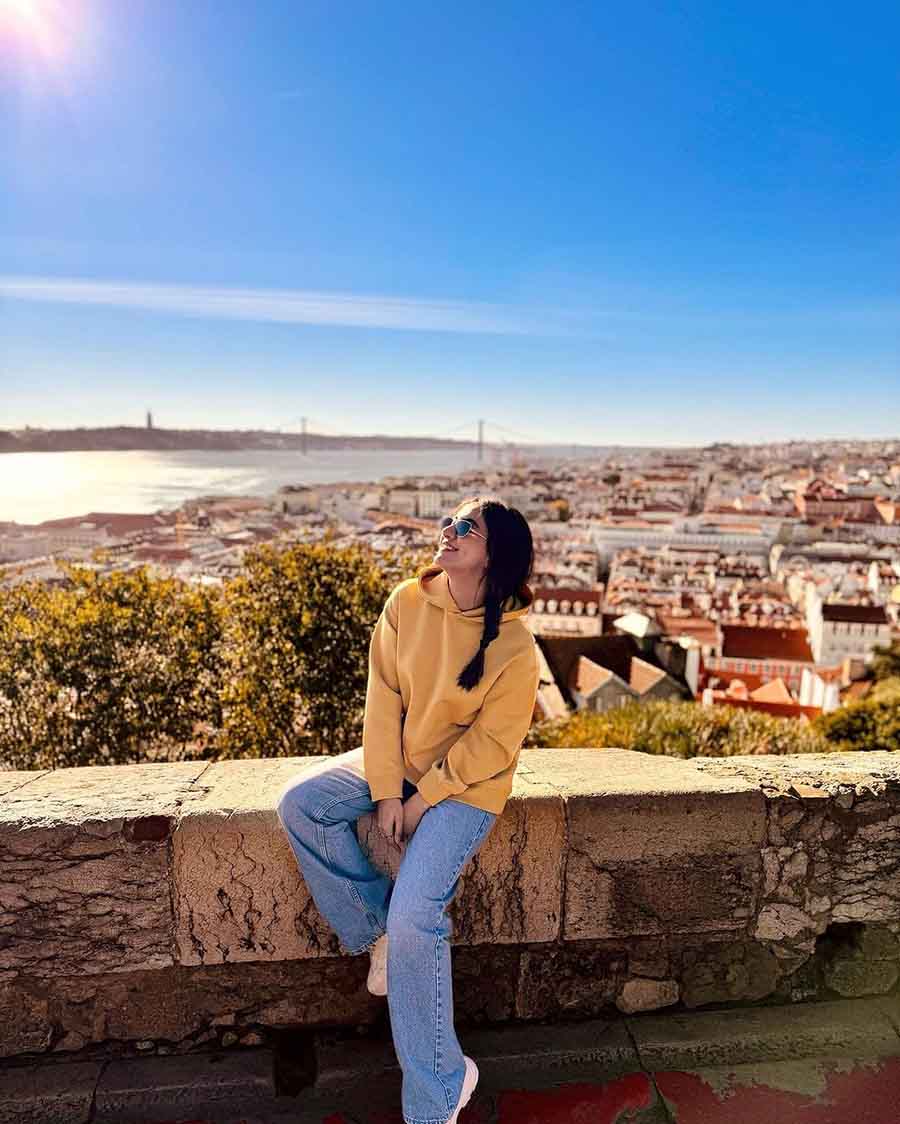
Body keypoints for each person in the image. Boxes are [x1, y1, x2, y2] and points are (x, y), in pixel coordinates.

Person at [276, 495, 540, 1124]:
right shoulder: (406, 603)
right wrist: (389, 789)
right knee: (301, 806)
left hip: (467, 790)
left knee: (419, 910)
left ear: (493, 554)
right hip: (402, 766)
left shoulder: (517, 649)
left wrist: (423, 799)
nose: (448, 531)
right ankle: (378, 936)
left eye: (465, 527)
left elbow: (492, 746)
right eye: (448, 521)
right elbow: (383, 698)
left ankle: (437, 1096)